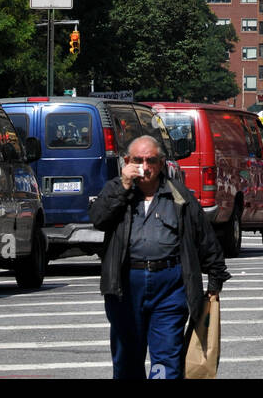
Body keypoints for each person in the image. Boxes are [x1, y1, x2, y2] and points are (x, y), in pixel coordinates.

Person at [90, 133, 230, 380]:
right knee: (126, 360)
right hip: (125, 286)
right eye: (138, 160)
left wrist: (215, 278)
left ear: (162, 162)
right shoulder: (116, 189)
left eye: (151, 160)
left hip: (170, 286)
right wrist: (123, 184)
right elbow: (99, 219)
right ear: (126, 160)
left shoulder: (180, 196)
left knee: (166, 360)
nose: (145, 167)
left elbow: (204, 237)